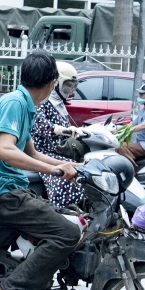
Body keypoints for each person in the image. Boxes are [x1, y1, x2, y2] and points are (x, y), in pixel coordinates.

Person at [0, 50, 82, 290]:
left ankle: (33, 284)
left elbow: (31, 152)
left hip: (15, 187)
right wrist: (52, 170)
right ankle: (11, 288)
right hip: (5, 190)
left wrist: (69, 166)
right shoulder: (15, 103)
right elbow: (6, 151)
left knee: (66, 218)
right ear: (52, 82)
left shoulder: (25, 104)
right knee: (68, 234)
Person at [29, 62, 85, 210]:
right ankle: (61, 209)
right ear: (56, 82)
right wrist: (64, 131)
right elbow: (39, 125)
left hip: (57, 150)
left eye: (72, 86)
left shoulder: (59, 103)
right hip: (42, 151)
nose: (69, 90)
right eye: (67, 84)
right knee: (65, 174)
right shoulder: (44, 101)